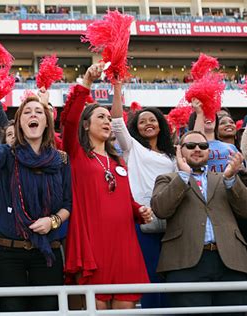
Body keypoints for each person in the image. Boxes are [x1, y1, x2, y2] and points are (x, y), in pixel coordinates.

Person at [62, 64, 152, 310]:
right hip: (93, 246)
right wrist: (86, 83)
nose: (107, 121)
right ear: (86, 125)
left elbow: (124, 200)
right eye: (100, 117)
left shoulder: (118, 161)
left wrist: (138, 211)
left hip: (124, 247)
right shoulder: (78, 154)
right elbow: (68, 122)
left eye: (108, 118)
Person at [0, 91, 71, 312]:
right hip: (9, 254)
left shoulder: (61, 159)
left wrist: (53, 221)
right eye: (26, 112)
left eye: (38, 111)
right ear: (19, 124)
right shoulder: (8, 154)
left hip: (48, 252)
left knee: (47, 311)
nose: (32, 115)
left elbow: (68, 204)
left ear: (47, 122)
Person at [151, 130, 247, 310]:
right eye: (191, 146)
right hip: (185, 263)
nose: (197, 149)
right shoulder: (168, 178)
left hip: (231, 261)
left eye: (203, 146)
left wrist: (230, 180)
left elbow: (246, 210)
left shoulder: (225, 178)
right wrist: (183, 176)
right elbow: (161, 209)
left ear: (209, 152)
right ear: (179, 151)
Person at [110, 81, 176, 308]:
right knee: (148, 275)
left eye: (152, 120)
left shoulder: (172, 155)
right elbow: (117, 123)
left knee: (168, 277)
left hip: (171, 223)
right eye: (142, 121)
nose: (148, 124)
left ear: (161, 125)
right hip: (143, 221)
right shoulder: (132, 149)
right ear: (135, 128)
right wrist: (117, 88)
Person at [188, 99, 238, 173]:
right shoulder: (189, 146)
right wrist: (199, 113)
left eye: (211, 115)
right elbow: (196, 145)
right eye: (204, 115)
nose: (208, 117)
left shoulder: (231, 147)